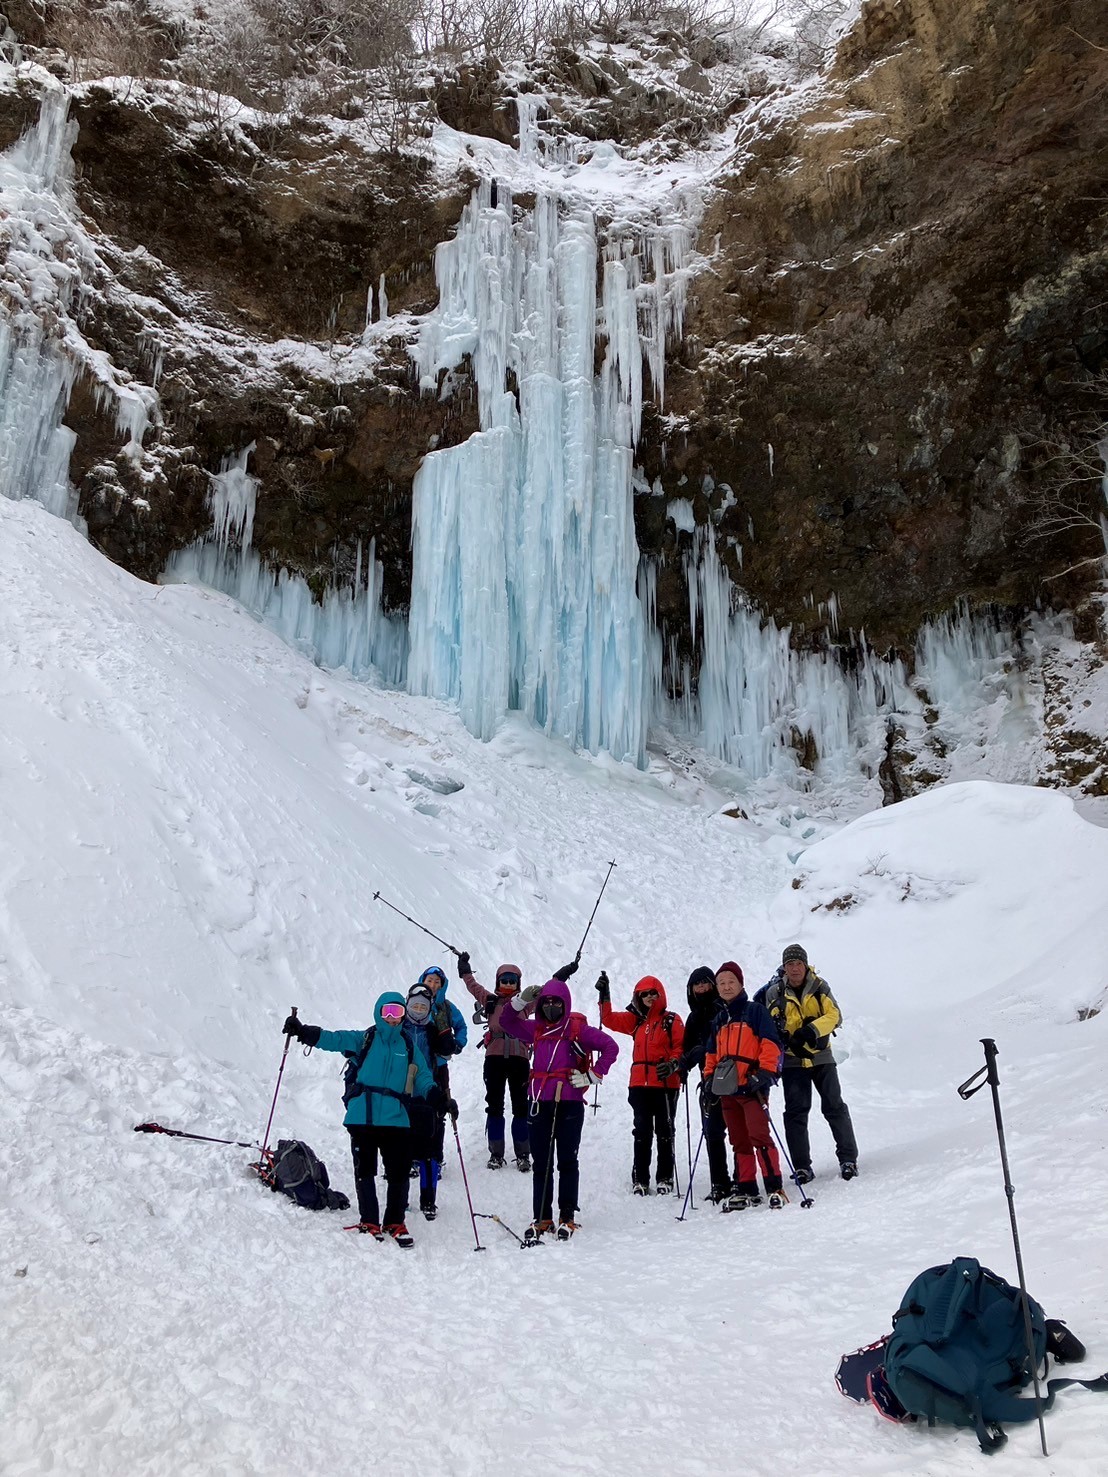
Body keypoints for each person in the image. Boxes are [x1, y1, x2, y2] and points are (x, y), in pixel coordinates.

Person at [281, 994, 455, 1246]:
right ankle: (370, 1220)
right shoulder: (365, 1038)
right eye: (388, 1012)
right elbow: (333, 1038)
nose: (393, 1018)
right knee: (365, 1170)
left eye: (397, 1012)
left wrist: (439, 1098)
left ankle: (394, 1221)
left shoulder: (407, 1045)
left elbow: (424, 1077)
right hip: (363, 1115)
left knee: (398, 1172)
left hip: (396, 1118)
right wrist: (303, 1031)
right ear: (379, 1013)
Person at [498, 961, 619, 1241]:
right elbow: (505, 1022)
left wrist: (594, 1074)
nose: (551, 1007)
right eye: (546, 1002)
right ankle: (542, 1217)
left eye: (557, 1002)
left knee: (567, 1160)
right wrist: (520, 1001)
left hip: (569, 1103)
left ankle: (567, 1216)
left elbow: (611, 1047)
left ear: (566, 1004)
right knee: (542, 1162)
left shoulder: (578, 1031)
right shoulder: (536, 1029)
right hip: (539, 1101)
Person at [755, 943, 859, 1182]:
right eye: (790, 964)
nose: (794, 968)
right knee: (795, 1113)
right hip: (793, 1060)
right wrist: (788, 1040)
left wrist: (810, 1031)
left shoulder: (820, 986)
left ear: (805, 964)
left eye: (798, 963)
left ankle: (848, 1160)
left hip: (822, 1057)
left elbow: (835, 1016)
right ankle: (802, 1166)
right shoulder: (775, 992)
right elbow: (771, 1026)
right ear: (784, 967)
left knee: (834, 1107)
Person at [703, 962, 786, 1211]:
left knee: (759, 1135)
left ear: (741, 984)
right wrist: (708, 1080)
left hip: (752, 1087)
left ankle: (774, 1186)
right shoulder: (719, 1019)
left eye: (731, 982)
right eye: (722, 983)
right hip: (728, 1089)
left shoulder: (755, 1012)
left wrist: (764, 1074)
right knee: (738, 1140)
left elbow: (771, 1043)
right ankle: (746, 1187)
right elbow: (711, 1053)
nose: (727, 987)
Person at [597, 972, 684, 1195]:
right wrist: (604, 996)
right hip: (639, 1085)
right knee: (642, 1132)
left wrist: (674, 1064)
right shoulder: (635, 1020)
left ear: (661, 994)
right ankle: (640, 1179)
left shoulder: (671, 1020)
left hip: (666, 1084)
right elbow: (608, 1020)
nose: (649, 997)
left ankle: (665, 1178)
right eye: (644, 994)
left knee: (665, 1131)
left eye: (653, 993)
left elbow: (680, 1047)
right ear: (638, 996)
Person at [458, 950, 533, 1171]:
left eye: (512, 981)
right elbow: (473, 986)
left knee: (521, 1107)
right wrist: (464, 970)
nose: (508, 984)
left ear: (518, 983)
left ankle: (523, 1154)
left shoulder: (526, 1003)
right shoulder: (489, 1000)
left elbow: (550, 997)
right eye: (504, 980)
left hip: (519, 1060)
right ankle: (496, 1154)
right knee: (495, 1106)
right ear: (498, 981)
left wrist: (560, 978)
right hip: (495, 1060)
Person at [676, 965, 733, 1202]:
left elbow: (716, 1043)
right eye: (696, 984)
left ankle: (740, 1179)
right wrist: (682, 1066)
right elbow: (688, 1047)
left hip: (730, 1077)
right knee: (713, 1133)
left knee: (736, 1131)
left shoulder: (723, 1008)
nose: (701, 988)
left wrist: (692, 1056)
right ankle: (720, 1182)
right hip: (708, 1080)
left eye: (704, 983)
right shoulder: (693, 1017)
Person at [403, 983, 453, 1220]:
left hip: (428, 1091)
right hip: (401, 1095)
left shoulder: (433, 1029)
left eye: (424, 1006)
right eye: (415, 1006)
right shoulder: (398, 1028)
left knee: (430, 1151)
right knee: (399, 1150)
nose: (419, 1010)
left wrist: (443, 1026)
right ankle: (400, 1197)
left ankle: (428, 1200)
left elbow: (448, 1049)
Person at [417, 965, 468, 1174]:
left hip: (439, 1066)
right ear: (423, 981)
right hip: (416, 1066)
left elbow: (462, 1025)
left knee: (439, 1109)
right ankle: (414, 1156)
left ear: (442, 985)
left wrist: (459, 1043)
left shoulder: (446, 1007)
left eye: (437, 982)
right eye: (430, 981)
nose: (433, 985)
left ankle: (435, 1158)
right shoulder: (414, 1003)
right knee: (414, 1109)